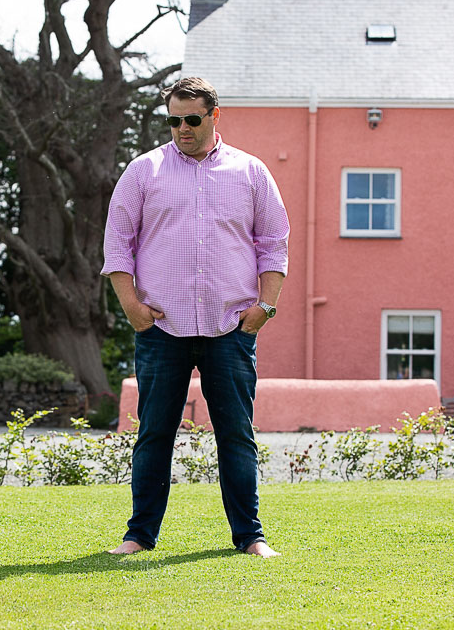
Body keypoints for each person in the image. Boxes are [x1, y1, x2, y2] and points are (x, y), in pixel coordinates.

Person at [101, 77, 290, 558]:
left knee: (236, 436)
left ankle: (250, 537)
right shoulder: (143, 171)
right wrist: (132, 308)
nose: (181, 128)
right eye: (173, 120)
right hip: (162, 327)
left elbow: (273, 243)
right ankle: (139, 535)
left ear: (214, 116)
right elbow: (117, 243)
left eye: (191, 119)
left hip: (231, 327)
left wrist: (265, 307)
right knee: (154, 435)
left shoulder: (251, 172)